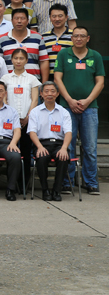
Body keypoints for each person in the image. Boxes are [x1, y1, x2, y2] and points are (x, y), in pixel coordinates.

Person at [53, 26, 104, 196]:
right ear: (72, 38)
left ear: (88, 38)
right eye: (76, 36)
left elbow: (100, 82)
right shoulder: (63, 54)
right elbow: (57, 78)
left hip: (90, 108)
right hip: (67, 107)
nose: (79, 39)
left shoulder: (95, 56)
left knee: (90, 147)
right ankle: (67, 182)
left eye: (82, 36)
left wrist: (87, 101)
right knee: (67, 146)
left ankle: (91, 183)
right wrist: (69, 100)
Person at [2, 48, 41, 186]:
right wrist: (12, 118)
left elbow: (34, 100)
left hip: (26, 120)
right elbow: (4, 99)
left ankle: (23, 183)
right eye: (16, 58)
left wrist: (27, 117)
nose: (18, 61)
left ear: (26, 60)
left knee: (25, 150)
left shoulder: (32, 79)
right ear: (11, 60)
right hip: (10, 121)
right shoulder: (5, 78)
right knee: (10, 151)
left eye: (21, 58)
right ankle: (11, 183)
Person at [27, 81, 72, 201]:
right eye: (46, 91)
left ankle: (57, 190)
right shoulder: (35, 112)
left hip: (59, 144)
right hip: (42, 143)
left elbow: (68, 133)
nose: (49, 94)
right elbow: (32, 132)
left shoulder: (64, 112)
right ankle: (45, 190)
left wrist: (64, 148)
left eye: (53, 91)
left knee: (63, 158)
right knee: (41, 157)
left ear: (57, 94)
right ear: (41, 94)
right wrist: (39, 147)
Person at [0, 8, 49, 82]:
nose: (19, 21)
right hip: (9, 82)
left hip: (33, 82)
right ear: (11, 21)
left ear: (27, 21)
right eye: (16, 18)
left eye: (23, 18)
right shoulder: (2, 39)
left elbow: (44, 61)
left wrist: (44, 84)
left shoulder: (38, 38)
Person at [41, 4, 73, 70]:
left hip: (68, 74)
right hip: (49, 74)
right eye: (54, 16)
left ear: (66, 17)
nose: (57, 19)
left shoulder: (74, 35)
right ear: (50, 18)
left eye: (60, 16)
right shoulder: (43, 37)